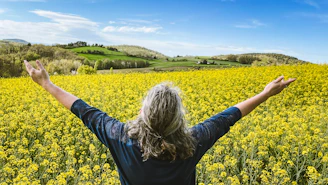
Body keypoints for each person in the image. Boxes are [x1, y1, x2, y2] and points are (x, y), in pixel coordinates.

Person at [24, 60, 296, 185]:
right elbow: (228, 116)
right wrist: (265, 93)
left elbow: (85, 111)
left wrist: (47, 83)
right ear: (179, 119)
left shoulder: (120, 137)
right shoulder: (194, 142)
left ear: (144, 112)